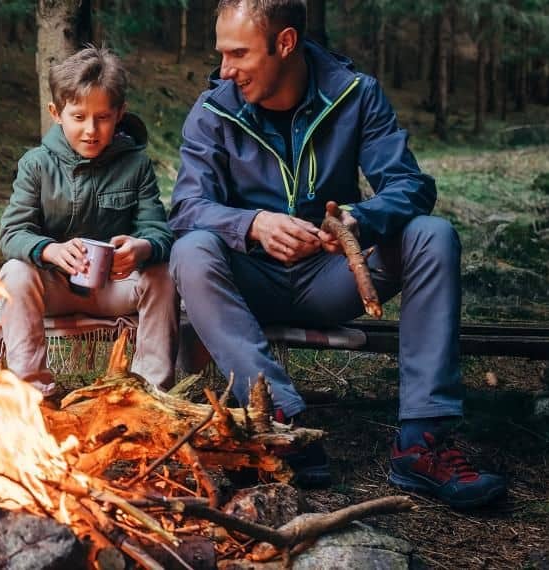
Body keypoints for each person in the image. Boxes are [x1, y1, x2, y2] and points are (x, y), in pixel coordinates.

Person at [167, 0, 506, 508]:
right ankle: (279, 420)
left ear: (285, 44)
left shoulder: (356, 95)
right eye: (222, 54)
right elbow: (186, 208)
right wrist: (252, 224)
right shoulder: (214, 110)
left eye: (238, 53)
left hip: (333, 278)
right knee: (192, 250)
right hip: (245, 285)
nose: (225, 69)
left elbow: (409, 185)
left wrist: (357, 220)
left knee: (432, 235)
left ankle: (422, 441)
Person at [0, 47, 177, 396]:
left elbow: (159, 232)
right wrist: (49, 251)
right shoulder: (36, 164)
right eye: (79, 117)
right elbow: (11, 233)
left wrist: (142, 247)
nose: (91, 130)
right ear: (57, 113)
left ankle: (150, 393)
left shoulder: (135, 164)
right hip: (55, 288)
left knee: (163, 274)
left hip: (116, 287)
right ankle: (31, 394)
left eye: (103, 117)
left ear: (120, 114)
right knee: (15, 273)